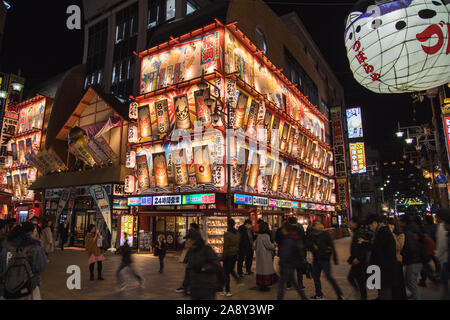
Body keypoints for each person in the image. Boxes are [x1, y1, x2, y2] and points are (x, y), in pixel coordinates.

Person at [0, 223, 48, 300]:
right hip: (28, 288)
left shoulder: (6, 247)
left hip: (8, 288)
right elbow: (41, 266)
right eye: (34, 231)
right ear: (30, 233)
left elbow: (2, 268)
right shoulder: (35, 247)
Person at [307, 220, 343, 300]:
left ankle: (339, 294)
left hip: (324, 259)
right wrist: (312, 246)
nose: (320, 225)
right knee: (316, 277)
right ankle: (318, 294)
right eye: (318, 224)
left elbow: (332, 245)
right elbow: (308, 245)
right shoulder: (311, 235)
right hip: (316, 259)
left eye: (321, 224)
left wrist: (335, 258)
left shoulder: (325, 234)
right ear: (314, 227)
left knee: (329, 277)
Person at [364, 214, 397, 300]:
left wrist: (365, 244)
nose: (370, 228)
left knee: (385, 291)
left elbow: (377, 248)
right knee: (383, 290)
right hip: (384, 267)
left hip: (385, 268)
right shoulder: (382, 231)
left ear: (375, 223)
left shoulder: (383, 232)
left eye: (370, 225)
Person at [185, 230, 222, 300]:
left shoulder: (207, 249)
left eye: (188, 239)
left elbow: (216, 265)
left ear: (194, 240)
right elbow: (189, 269)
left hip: (207, 287)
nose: (186, 241)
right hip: (195, 287)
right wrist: (185, 284)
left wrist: (203, 268)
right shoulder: (191, 251)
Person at [277, 220, 308, 300]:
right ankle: (303, 297)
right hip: (293, 263)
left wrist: (281, 263)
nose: (282, 231)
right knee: (294, 283)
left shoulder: (288, 240)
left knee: (281, 285)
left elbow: (285, 254)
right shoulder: (295, 237)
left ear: (286, 230)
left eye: (283, 229)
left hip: (286, 265)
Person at [398, 214, 425, 300]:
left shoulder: (408, 232)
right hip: (416, 259)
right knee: (409, 282)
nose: (398, 222)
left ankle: (417, 297)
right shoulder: (413, 228)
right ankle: (415, 296)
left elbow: (411, 248)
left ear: (404, 222)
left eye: (399, 221)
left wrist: (402, 253)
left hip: (413, 260)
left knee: (411, 283)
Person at [347, 216, 369, 300]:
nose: (349, 224)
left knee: (354, 278)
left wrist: (358, 258)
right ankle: (361, 295)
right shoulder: (356, 232)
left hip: (359, 260)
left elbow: (362, 246)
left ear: (355, 223)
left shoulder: (359, 233)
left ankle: (361, 295)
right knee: (359, 280)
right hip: (357, 259)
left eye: (351, 222)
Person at [175, 224, 201, 294]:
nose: (187, 242)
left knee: (191, 272)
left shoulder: (200, 250)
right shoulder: (192, 249)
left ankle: (188, 287)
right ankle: (186, 286)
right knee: (188, 272)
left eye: (188, 240)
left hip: (205, 289)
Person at [387, 218, 407, 300]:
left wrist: (392, 235)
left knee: (398, 284)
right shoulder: (387, 234)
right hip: (389, 262)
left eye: (391, 225)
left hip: (397, 262)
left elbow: (398, 247)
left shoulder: (401, 235)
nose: (390, 227)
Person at [222, 218, 242, 297]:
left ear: (228, 225)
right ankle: (237, 280)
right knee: (230, 269)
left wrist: (223, 256)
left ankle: (227, 290)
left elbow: (225, 246)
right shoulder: (237, 233)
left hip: (228, 255)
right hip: (234, 254)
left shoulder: (227, 234)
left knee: (226, 273)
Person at [255, 222, 276, 291]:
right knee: (265, 270)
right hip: (265, 255)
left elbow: (254, 245)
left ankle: (261, 284)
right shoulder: (266, 236)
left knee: (261, 270)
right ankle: (265, 285)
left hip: (259, 256)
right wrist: (274, 246)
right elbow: (269, 245)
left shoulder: (259, 236)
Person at [436, 209, 450, 299]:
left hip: (445, 260)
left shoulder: (441, 227)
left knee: (445, 280)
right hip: (446, 259)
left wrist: (438, 255)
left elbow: (442, 245)